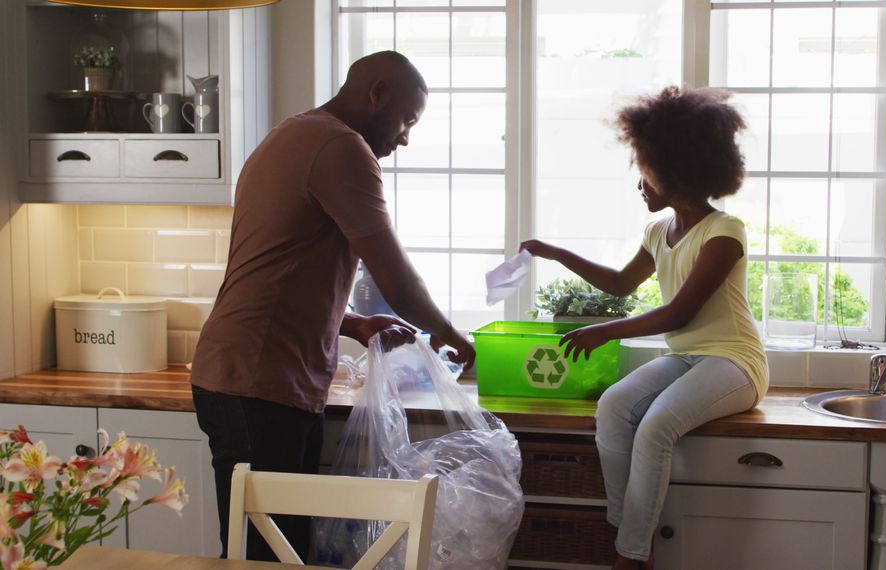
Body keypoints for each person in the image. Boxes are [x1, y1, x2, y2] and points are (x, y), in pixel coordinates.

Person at [189, 50, 476, 561]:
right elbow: (398, 278)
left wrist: (354, 323)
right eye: (407, 120)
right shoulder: (342, 147)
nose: (406, 137)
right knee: (266, 557)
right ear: (378, 94)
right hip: (257, 383)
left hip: (258, 378)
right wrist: (451, 333)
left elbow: (277, 272)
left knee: (283, 553)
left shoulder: (292, 134)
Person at [520, 86, 768, 570]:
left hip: (735, 361)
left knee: (656, 427)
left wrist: (604, 332)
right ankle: (629, 532)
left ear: (675, 170)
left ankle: (629, 556)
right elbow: (618, 283)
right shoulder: (658, 231)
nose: (640, 183)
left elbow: (680, 313)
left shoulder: (725, 231)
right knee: (613, 407)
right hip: (685, 358)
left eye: (645, 172)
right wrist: (555, 253)